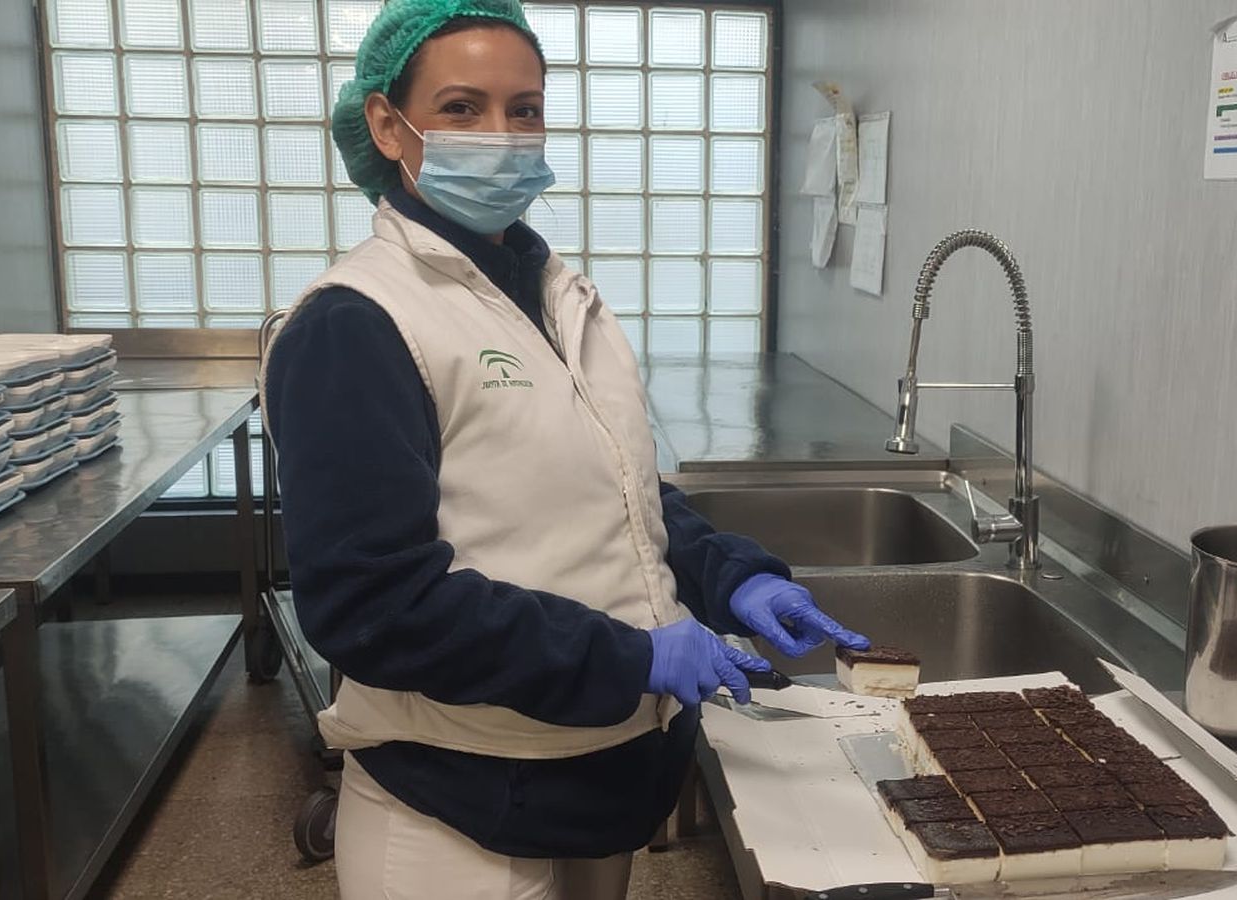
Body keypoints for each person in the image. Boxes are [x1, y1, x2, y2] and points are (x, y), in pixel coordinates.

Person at [259, 1, 872, 897]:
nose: (502, 137)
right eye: (463, 109)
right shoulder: (358, 323)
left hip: (601, 775)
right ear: (388, 125)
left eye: (526, 108)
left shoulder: (557, 298)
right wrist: (636, 658)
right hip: (461, 797)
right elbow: (372, 606)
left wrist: (734, 576)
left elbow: (625, 496)